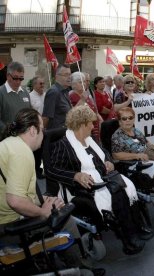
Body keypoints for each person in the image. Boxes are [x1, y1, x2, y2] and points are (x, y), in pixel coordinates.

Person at [0, 108, 105, 276]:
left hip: (6, 216)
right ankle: (82, 268)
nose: (45, 134)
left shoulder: (9, 144)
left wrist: (44, 201)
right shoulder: (22, 152)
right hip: (8, 225)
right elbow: (15, 201)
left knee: (56, 209)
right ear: (33, 130)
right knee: (65, 219)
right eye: (43, 129)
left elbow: (15, 191)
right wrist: (42, 211)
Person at [46, 105, 146, 255]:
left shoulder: (90, 139)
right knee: (118, 192)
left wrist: (108, 161)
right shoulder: (63, 144)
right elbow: (52, 169)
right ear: (82, 124)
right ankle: (129, 239)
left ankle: (137, 228)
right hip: (81, 187)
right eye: (91, 123)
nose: (93, 126)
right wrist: (75, 175)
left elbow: (104, 152)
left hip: (103, 177)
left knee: (125, 186)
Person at [0, 61, 31, 136]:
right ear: (8, 76)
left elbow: (29, 114)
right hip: (7, 139)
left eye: (21, 78)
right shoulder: (1, 92)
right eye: (15, 78)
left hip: (24, 137)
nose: (18, 82)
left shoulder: (25, 92)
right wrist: (10, 131)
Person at [69, 72, 102, 142]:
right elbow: (73, 113)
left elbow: (94, 108)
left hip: (94, 128)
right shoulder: (72, 96)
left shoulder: (85, 94)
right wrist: (82, 100)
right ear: (73, 84)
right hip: (84, 130)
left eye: (84, 81)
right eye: (80, 82)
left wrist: (98, 117)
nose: (83, 84)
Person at [42, 64, 72, 129]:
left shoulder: (66, 91)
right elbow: (46, 117)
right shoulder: (53, 92)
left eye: (70, 74)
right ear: (57, 77)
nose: (69, 77)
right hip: (55, 135)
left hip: (64, 132)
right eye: (66, 75)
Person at [29, 76, 46, 178]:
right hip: (35, 127)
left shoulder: (46, 95)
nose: (42, 86)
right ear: (34, 85)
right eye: (40, 84)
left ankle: (43, 169)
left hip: (46, 127)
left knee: (44, 150)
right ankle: (36, 171)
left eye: (43, 83)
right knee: (36, 151)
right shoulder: (30, 96)